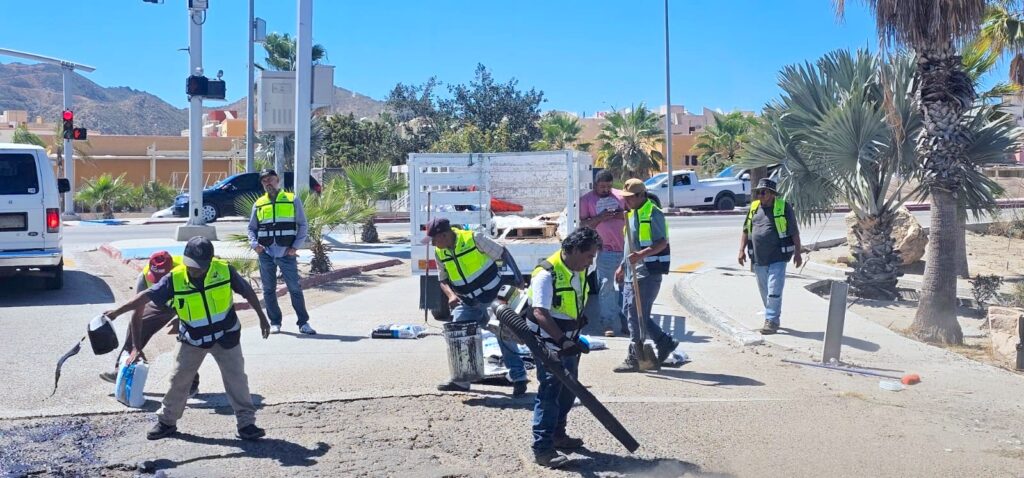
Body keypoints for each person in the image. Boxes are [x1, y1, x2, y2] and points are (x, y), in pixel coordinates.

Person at [105, 237, 272, 441]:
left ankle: (246, 424)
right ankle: (167, 422)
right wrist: (117, 312)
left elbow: (247, 292)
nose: (194, 270)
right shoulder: (174, 278)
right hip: (192, 338)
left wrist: (262, 317)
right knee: (178, 380)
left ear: (209, 262)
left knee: (237, 380)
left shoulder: (224, 270)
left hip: (226, 336)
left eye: (200, 267)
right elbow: (145, 297)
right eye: (191, 265)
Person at [424, 218, 530, 397]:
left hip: (493, 298)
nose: (433, 244)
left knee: (504, 333)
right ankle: (462, 380)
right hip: (468, 302)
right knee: (458, 333)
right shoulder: (439, 251)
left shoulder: (474, 239)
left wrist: (518, 278)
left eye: (434, 239)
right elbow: (442, 279)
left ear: (444, 235)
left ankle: (519, 377)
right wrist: (451, 295)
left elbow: (503, 253)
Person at [527, 227, 601, 468]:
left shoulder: (580, 269)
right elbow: (540, 312)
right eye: (589, 255)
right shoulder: (546, 274)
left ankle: (558, 434)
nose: (591, 261)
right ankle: (543, 449)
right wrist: (561, 340)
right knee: (549, 393)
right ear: (576, 250)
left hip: (570, 341)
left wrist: (574, 332)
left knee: (568, 391)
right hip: (549, 344)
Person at [99, 251, 199, 398]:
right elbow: (137, 312)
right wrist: (136, 347)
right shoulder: (144, 277)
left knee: (188, 342)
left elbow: (197, 302)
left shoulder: (186, 272)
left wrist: (181, 320)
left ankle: (191, 383)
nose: (157, 283)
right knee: (139, 325)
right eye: (155, 279)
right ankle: (122, 369)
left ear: (171, 270)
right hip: (163, 303)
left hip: (188, 303)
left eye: (161, 279)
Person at [614, 178, 679, 373]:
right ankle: (664, 341)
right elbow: (630, 246)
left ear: (641, 195)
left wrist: (640, 255)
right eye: (625, 198)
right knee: (631, 312)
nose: (626, 201)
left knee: (635, 315)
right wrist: (622, 266)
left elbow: (662, 243)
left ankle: (635, 357)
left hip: (648, 272)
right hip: (632, 271)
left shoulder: (653, 213)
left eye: (630, 198)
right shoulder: (631, 213)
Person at [248, 169, 315, 335]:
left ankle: (303, 323)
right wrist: (255, 245)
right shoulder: (259, 203)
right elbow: (251, 228)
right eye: (264, 181)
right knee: (268, 290)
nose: (268, 183)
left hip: (286, 253)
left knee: (294, 288)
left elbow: (303, 225)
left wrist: (295, 247)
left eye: (270, 179)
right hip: (266, 254)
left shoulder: (292, 200)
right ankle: (275, 322)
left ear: (277, 180)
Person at [738, 178, 802, 335]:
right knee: (765, 292)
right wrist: (741, 250)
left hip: (778, 256)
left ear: (772, 194)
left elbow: (794, 231)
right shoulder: (754, 208)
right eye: (758, 192)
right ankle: (772, 316)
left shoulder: (783, 207)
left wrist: (798, 253)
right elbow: (746, 230)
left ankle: (771, 321)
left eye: (763, 192)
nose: (760, 195)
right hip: (758, 258)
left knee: (774, 290)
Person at [579, 170, 629, 337]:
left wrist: (619, 215)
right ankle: (607, 323)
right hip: (605, 251)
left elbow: (632, 215)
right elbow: (583, 225)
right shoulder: (586, 200)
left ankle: (627, 323)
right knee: (606, 286)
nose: (606, 190)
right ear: (595, 185)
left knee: (626, 288)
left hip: (625, 250)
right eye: (602, 187)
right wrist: (600, 217)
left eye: (608, 186)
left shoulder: (620, 196)